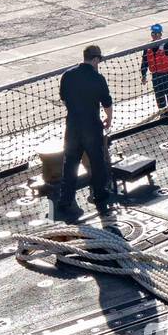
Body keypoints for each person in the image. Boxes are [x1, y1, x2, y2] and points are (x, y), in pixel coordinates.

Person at [58, 45, 114, 217]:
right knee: (97, 162)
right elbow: (107, 103)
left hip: (73, 126)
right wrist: (109, 119)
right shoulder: (98, 79)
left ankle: (65, 200)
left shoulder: (67, 76)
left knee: (70, 165)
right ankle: (100, 195)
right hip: (92, 126)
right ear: (95, 59)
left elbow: (64, 98)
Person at [140, 24, 168, 110]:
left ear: (161, 34)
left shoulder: (166, 45)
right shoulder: (147, 48)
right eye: (153, 33)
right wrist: (143, 75)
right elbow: (144, 62)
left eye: (157, 34)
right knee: (160, 98)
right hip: (156, 77)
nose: (155, 35)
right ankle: (163, 114)